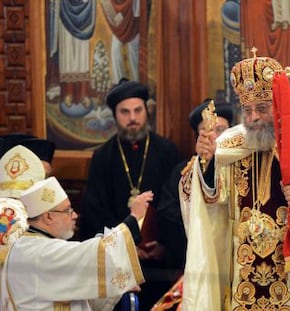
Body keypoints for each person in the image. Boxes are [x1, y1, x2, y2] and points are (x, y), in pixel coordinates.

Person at [178, 51, 290, 310]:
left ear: (280, 104)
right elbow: (200, 202)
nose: (253, 118)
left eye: (262, 108)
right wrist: (206, 164)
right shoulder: (228, 146)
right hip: (241, 272)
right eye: (247, 110)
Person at [79, 78, 182, 310]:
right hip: (117, 263)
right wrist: (125, 246)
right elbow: (95, 211)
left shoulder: (167, 151)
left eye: (137, 110)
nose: (132, 118)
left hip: (160, 263)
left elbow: (178, 205)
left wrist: (165, 244)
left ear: (147, 111)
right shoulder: (103, 157)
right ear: (115, 116)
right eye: (125, 112)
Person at [1, 176, 151, 310]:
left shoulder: (30, 245)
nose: (74, 215)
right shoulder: (38, 252)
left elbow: (83, 289)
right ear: (48, 217)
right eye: (67, 210)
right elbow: (100, 253)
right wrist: (134, 218)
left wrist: (119, 285)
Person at [153, 98, 234, 310]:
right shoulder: (186, 172)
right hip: (200, 259)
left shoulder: (245, 165)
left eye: (220, 129)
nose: (214, 137)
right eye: (206, 131)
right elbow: (170, 215)